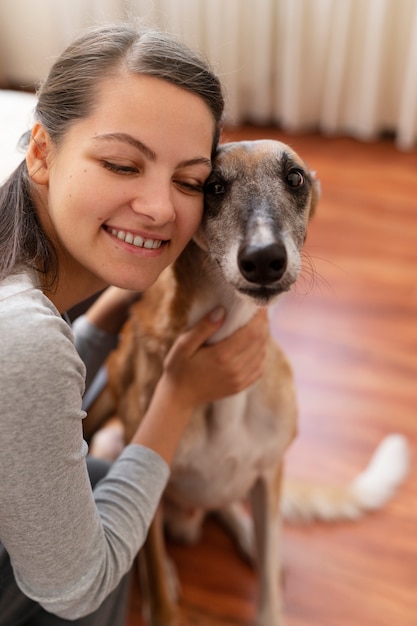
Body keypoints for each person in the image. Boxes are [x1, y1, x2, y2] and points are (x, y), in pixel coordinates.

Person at [0, 23, 269, 626]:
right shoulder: (23, 335)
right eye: (122, 164)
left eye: (189, 181)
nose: (159, 208)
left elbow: (22, 406)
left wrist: (107, 312)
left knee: (99, 468)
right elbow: (76, 589)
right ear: (41, 151)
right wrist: (178, 396)